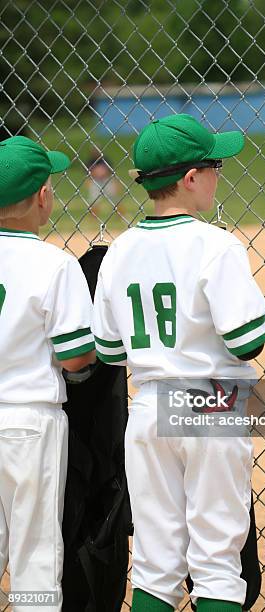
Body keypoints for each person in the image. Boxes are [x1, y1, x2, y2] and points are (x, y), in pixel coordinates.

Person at [92, 114, 265, 612]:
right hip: (212, 403)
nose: (219, 174)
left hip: (148, 407)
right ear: (191, 179)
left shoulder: (121, 249)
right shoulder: (216, 244)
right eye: (214, 165)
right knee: (216, 561)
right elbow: (247, 338)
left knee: (155, 561)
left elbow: (109, 350)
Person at [0, 136, 96, 611]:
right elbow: (76, 356)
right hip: (29, 422)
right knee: (34, 551)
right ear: (41, 196)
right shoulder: (53, 263)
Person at [86, 150, 120, 218]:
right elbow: (88, 173)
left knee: (115, 199)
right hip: (95, 181)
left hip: (106, 180)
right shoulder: (90, 161)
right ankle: (93, 218)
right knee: (94, 200)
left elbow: (111, 171)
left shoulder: (105, 160)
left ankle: (121, 215)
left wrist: (115, 183)